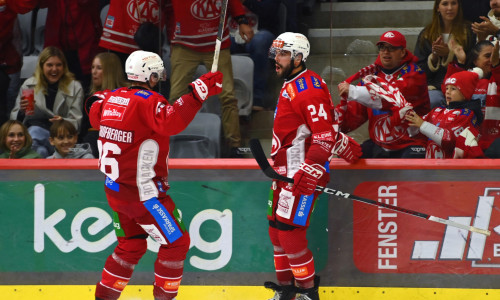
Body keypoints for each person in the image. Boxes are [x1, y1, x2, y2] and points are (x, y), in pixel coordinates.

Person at [88, 50, 223, 300]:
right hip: (144, 196)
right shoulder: (148, 100)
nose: (159, 78)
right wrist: (197, 93)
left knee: (131, 245)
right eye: (157, 73)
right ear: (149, 74)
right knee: (177, 243)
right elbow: (171, 121)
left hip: (116, 193)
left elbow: (93, 108)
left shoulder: (111, 98)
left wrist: (99, 98)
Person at [264, 32, 361, 300]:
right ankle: (286, 292)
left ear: (298, 57)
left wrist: (311, 170)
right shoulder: (293, 82)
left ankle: (308, 293)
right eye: (276, 53)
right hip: (283, 173)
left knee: (290, 235)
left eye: (282, 54)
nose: (276, 59)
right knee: (276, 233)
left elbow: (323, 136)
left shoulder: (308, 89)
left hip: (301, 174)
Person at [167, 0, 254, 157]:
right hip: (184, 44)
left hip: (216, 44)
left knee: (227, 96)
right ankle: (170, 141)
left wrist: (242, 21)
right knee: (175, 97)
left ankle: (234, 146)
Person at [337, 30, 431, 158]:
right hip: (379, 145)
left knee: (411, 169)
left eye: (391, 48)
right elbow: (354, 114)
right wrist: (329, 121)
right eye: (382, 47)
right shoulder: (371, 76)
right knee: (351, 158)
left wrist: (353, 91)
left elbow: (389, 98)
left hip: (411, 143)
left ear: (402, 52)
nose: (386, 52)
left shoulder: (415, 74)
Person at [10, 46, 84, 158]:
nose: (54, 69)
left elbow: (77, 122)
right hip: (35, 134)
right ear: (41, 66)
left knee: (34, 134)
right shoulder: (29, 85)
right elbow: (14, 122)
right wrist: (21, 112)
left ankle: (32, 173)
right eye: (49, 65)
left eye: (58, 65)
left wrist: (62, 121)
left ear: (64, 67)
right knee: (40, 150)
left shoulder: (75, 87)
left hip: (62, 137)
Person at [405, 69, 482, 158]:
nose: (447, 92)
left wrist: (423, 125)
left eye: (453, 89)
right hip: (430, 167)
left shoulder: (468, 115)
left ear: (465, 93)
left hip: (451, 169)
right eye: (446, 88)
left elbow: (449, 140)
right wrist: (406, 116)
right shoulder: (437, 111)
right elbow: (415, 132)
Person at [414, 0, 475, 108]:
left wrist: (449, 55)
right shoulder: (427, 34)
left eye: (454, 3)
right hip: (435, 86)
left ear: (459, 6)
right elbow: (419, 69)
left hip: (462, 86)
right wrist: (434, 57)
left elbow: (473, 63)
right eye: (445, 4)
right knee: (432, 100)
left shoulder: (469, 30)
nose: (450, 8)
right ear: (438, 7)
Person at [39, 0, 103, 95]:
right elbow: (36, 4)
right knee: (58, 92)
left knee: (86, 93)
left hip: (86, 48)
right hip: (58, 47)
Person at [229, 0, 280, 110]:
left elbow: (269, 11)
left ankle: (258, 98)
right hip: (232, 33)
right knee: (216, 42)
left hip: (261, 32)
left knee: (259, 43)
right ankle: (220, 99)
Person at [80, 52, 127, 157]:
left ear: (110, 71)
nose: (93, 72)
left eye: (99, 68)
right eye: (92, 67)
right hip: (92, 143)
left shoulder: (126, 95)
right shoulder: (89, 96)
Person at [0, 1, 38, 126]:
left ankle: (12, 134)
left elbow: (26, 5)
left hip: (10, 62)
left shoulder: (8, 4)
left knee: (12, 108)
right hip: (10, 62)